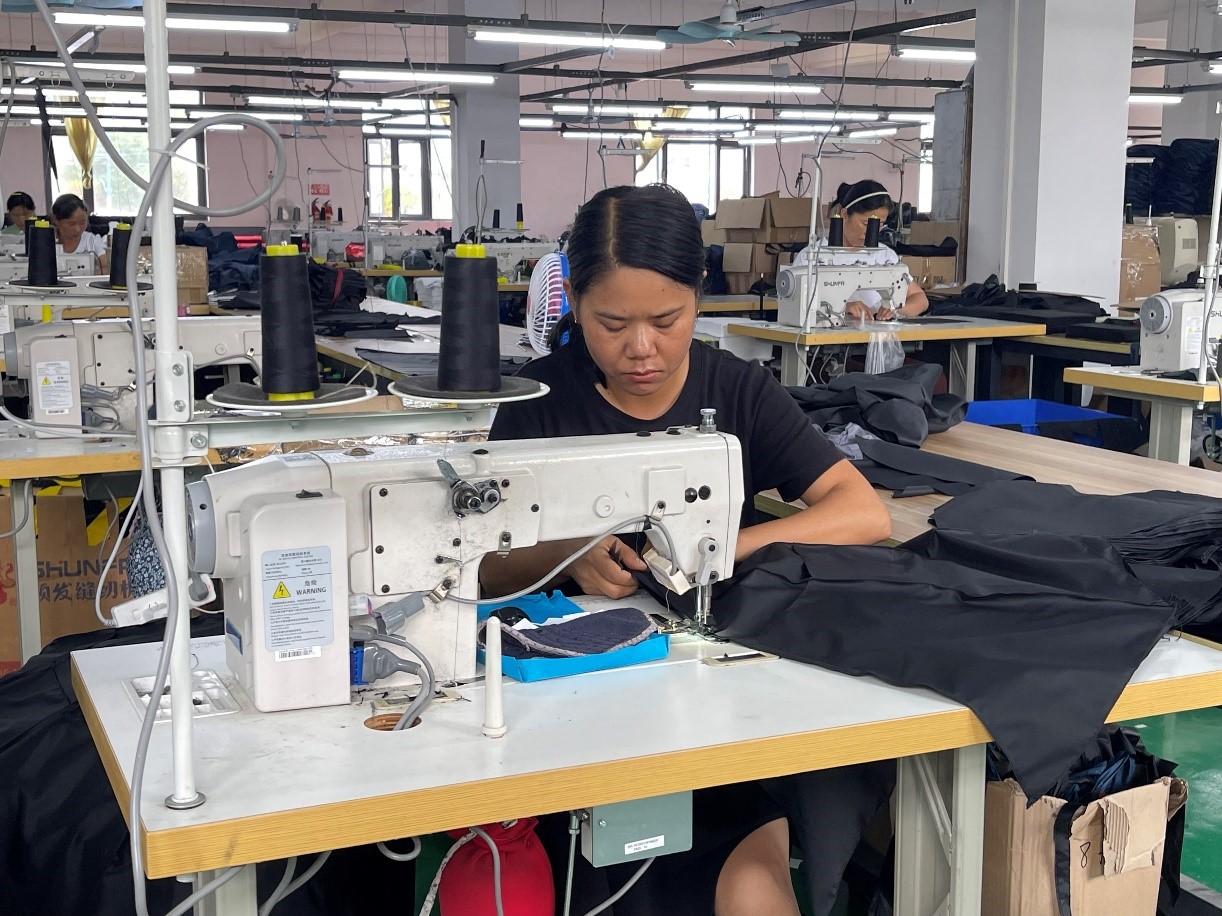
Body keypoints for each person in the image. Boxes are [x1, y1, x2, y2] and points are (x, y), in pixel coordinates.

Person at [481, 184, 891, 916]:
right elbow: (476, 563)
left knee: (751, 890)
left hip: (719, 721)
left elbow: (862, 512)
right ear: (572, 303)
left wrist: (729, 545)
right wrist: (566, 553)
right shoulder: (533, 403)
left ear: (699, 296)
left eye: (666, 321)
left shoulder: (737, 390)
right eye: (612, 323)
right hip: (567, 720)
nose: (641, 347)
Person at [830, 180, 929, 322]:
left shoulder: (884, 256)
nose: (873, 231)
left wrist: (896, 310)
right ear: (845, 214)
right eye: (866, 223)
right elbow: (797, 304)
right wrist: (843, 308)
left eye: (880, 224)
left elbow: (920, 298)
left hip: (877, 332)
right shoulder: (813, 257)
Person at [50, 193, 106, 258]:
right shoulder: (47, 243)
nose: (78, 229)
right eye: (71, 224)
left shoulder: (92, 242)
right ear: (56, 221)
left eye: (82, 223)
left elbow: (104, 263)